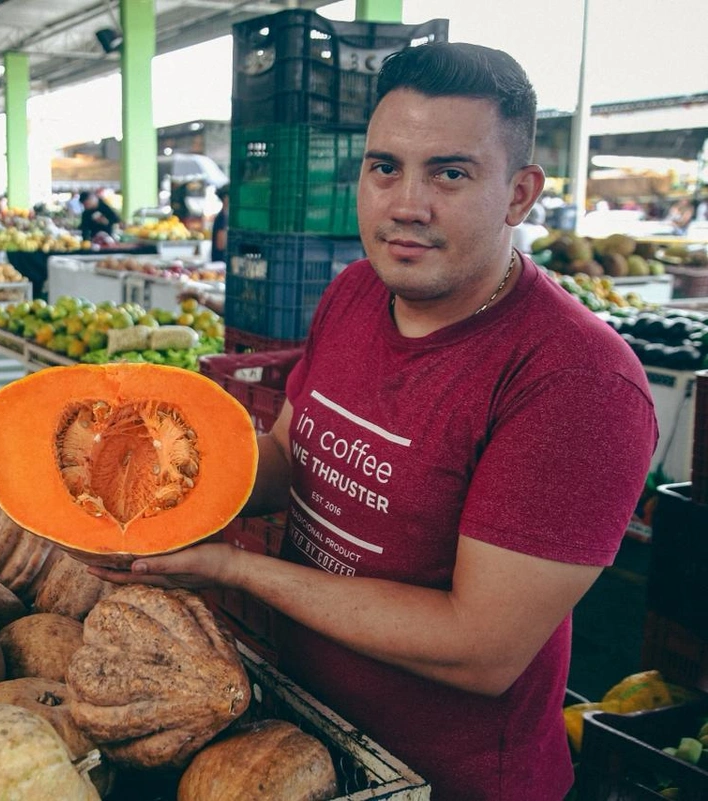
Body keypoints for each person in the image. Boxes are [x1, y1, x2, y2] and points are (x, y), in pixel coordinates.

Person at [91, 43, 657, 801]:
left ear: (520, 195)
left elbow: (479, 647)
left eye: (450, 173)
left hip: (448, 783)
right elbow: (291, 457)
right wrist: (160, 487)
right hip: (298, 740)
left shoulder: (578, 383)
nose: (405, 204)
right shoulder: (357, 291)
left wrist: (228, 566)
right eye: (384, 166)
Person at [210, 184, 229, 264]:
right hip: (220, 263)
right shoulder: (222, 217)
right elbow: (221, 245)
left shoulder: (224, 216)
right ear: (226, 199)